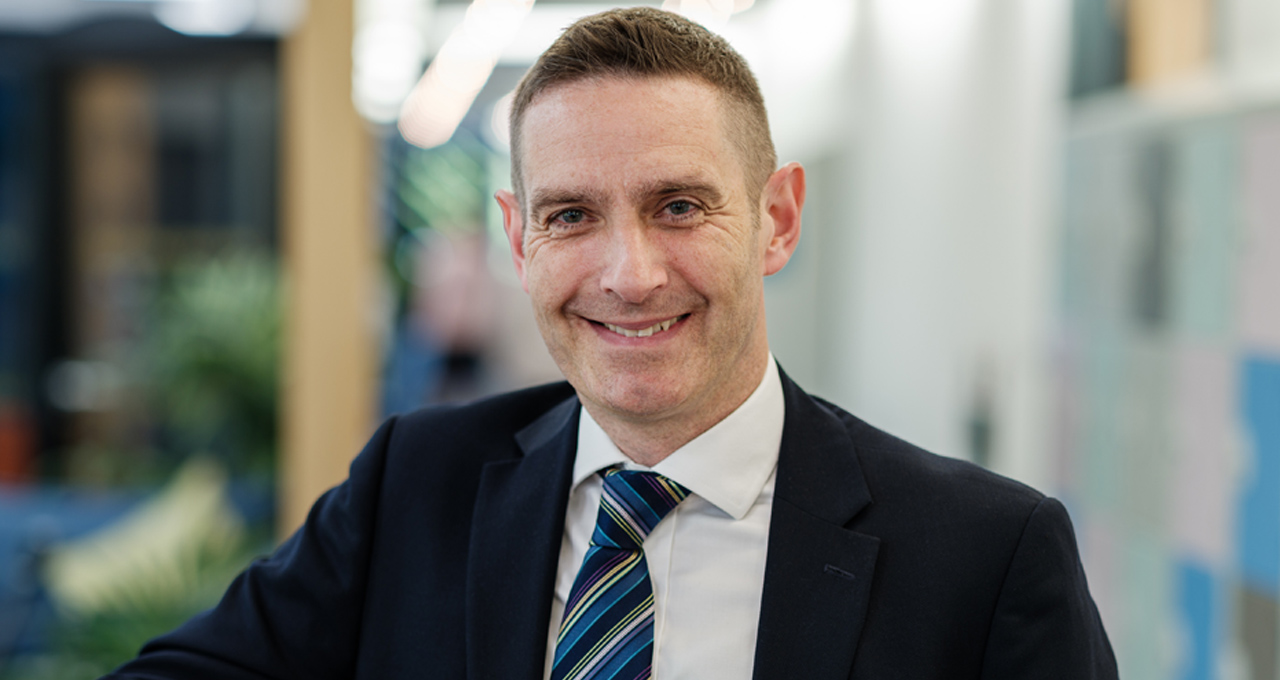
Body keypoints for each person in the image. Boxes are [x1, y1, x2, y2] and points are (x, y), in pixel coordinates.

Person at [104, 7, 1117, 679]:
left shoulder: (984, 556)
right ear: (516, 236)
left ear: (776, 217)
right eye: (571, 215)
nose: (628, 274)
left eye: (678, 205)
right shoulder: (415, 483)